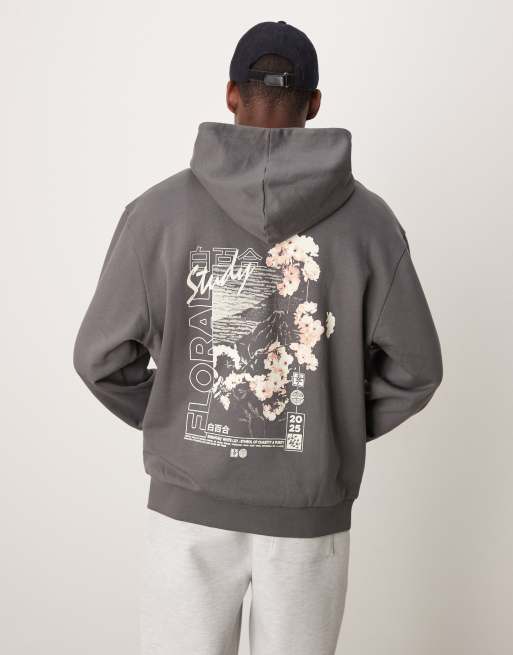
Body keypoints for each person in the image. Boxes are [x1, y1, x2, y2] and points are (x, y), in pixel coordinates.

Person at [73, 20, 443, 655]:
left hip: (187, 513)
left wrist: (176, 415)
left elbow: (98, 358)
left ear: (230, 94)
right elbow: (418, 369)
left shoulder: (155, 215)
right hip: (308, 515)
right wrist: (333, 420)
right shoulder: (371, 225)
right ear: (314, 103)